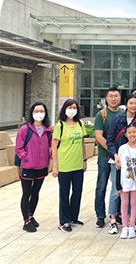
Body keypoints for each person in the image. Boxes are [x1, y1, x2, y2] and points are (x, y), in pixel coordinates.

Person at [107, 94, 136, 235]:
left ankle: (129, 221)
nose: (133, 106)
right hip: (118, 159)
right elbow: (110, 140)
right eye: (131, 103)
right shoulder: (117, 118)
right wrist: (115, 155)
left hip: (132, 162)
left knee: (132, 189)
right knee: (118, 191)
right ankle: (112, 220)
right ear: (126, 104)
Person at [15, 102, 52, 232]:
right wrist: (27, 158)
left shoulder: (48, 130)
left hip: (42, 167)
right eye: (36, 111)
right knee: (27, 194)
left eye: (41, 111)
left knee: (35, 193)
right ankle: (26, 221)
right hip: (28, 167)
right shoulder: (25, 129)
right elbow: (18, 148)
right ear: (32, 113)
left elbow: (51, 145)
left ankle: (31, 216)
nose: (39, 113)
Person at [52, 99, 87, 233]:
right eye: (69, 107)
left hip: (77, 165)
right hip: (64, 166)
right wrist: (55, 166)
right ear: (64, 109)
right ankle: (64, 221)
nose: (72, 110)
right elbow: (54, 146)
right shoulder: (60, 126)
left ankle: (73, 218)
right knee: (64, 194)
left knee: (77, 192)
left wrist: (84, 160)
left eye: (74, 107)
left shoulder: (80, 124)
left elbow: (83, 143)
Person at [93, 87, 124, 228]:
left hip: (119, 157)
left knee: (117, 186)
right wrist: (112, 151)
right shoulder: (102, 115)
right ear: (106, 98)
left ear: (119, 97)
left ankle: (116, 213)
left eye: (116, 96)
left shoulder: (123, 113)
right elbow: (99, 136)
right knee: (101, 186)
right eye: (111, 96)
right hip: (105, 156)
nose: (113, 98)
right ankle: (100, 215)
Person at [115, 124, 136, 239]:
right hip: (124, 181)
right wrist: (117, 185)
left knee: (134, 203)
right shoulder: (122, 148)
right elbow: (118, 167)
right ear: (126, 135)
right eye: (129, 133)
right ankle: (124, 226)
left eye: (134, 132)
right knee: (124, 204)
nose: (132, 135)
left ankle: (132, 225)